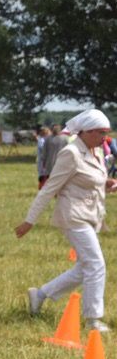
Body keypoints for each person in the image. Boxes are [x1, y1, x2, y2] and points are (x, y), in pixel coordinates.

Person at [16, 109, 116, 332]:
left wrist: (106, 183)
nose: (105, 137)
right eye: (101, 132)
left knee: (85, 267)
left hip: (91, 217)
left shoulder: (96, 152)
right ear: (86, 131)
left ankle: (40, 294)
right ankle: (93, 319)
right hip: (73, 217)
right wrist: (29, 220)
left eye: (106, 133)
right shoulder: (70, 153)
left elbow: (90, 180)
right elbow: (49, 188)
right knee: (96, 264)